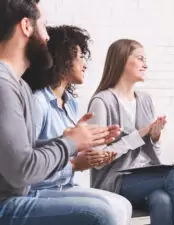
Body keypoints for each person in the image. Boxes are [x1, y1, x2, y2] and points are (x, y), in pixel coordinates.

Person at [0, 1, 120, 225]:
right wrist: (69, 144)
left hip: (15, 196)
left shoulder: (19, 86)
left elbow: (20, 153)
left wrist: (68, 140)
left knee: (106, 208)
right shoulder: (4, 86)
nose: (47, 37)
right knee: (99, 213)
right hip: (6, 202)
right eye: (43, 26)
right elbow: (21, 172)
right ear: (27, 26)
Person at [23, 25, 132, 225]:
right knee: (109, 210)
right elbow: (26, 165)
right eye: (80, 56)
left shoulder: (70, 103)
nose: (84, 64)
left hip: (63, 186)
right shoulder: (38, 103)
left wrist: (87, 156)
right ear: (63, 58)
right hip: (39, 190)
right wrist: (74, 163)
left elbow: (66, 153)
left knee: (122, 205)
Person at [87, 39, 174, 225]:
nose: (145, 64)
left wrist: (155, 138)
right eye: (140, 58)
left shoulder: (145, 100)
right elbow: (96, 160)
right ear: (121, 60)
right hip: (114, 180)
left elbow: (154, 155)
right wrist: (139, 135)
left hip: (145, 177)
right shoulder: (102, 102)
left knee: (162, 200)